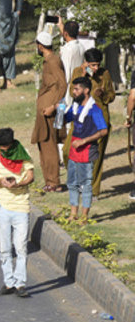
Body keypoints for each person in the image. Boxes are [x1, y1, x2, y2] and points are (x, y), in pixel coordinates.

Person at [0, 128, 36, 298]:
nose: (2, 150)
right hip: (3, 207)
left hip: (21, 206)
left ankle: (20, 283)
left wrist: (18, 184)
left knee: (21, 247)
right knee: (5, 248)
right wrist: (0, 181)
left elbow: (30, 176)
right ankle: (9, 282)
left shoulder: (23, 153)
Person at [60, 75, 108, 224]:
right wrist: (58, 111)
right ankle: (73, 213)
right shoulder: (75, 106)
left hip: (87, 149)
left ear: (86, 91)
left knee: (86, 184)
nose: (74, 92)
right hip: (74, 148)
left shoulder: (94, 109)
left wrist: (84, 141)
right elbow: (65, 119)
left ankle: (84, 216)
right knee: (72, 182)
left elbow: (103, 131)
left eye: (76, 89)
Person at [67, 48, 115, 194]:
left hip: (99, 119)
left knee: (95, 156)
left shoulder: (104, 74)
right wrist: (83, 77)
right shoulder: (77, 72)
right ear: (85, 62)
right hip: (81, 119)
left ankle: (93, 190)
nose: (96, 68)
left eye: (98, 65)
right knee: (68, 150)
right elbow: (72, 93)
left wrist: (103, 94)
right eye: (93, 65)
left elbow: (111, 96)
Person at [32, 32, 65, 193]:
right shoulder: (50, 60)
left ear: (40, 46)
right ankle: (50, 181)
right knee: (44, 144)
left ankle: (53, 182)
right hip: (45, 108)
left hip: (49, 110)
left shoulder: (52, 61)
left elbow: (63, 84)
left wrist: (54, 105)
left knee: (48, 145)